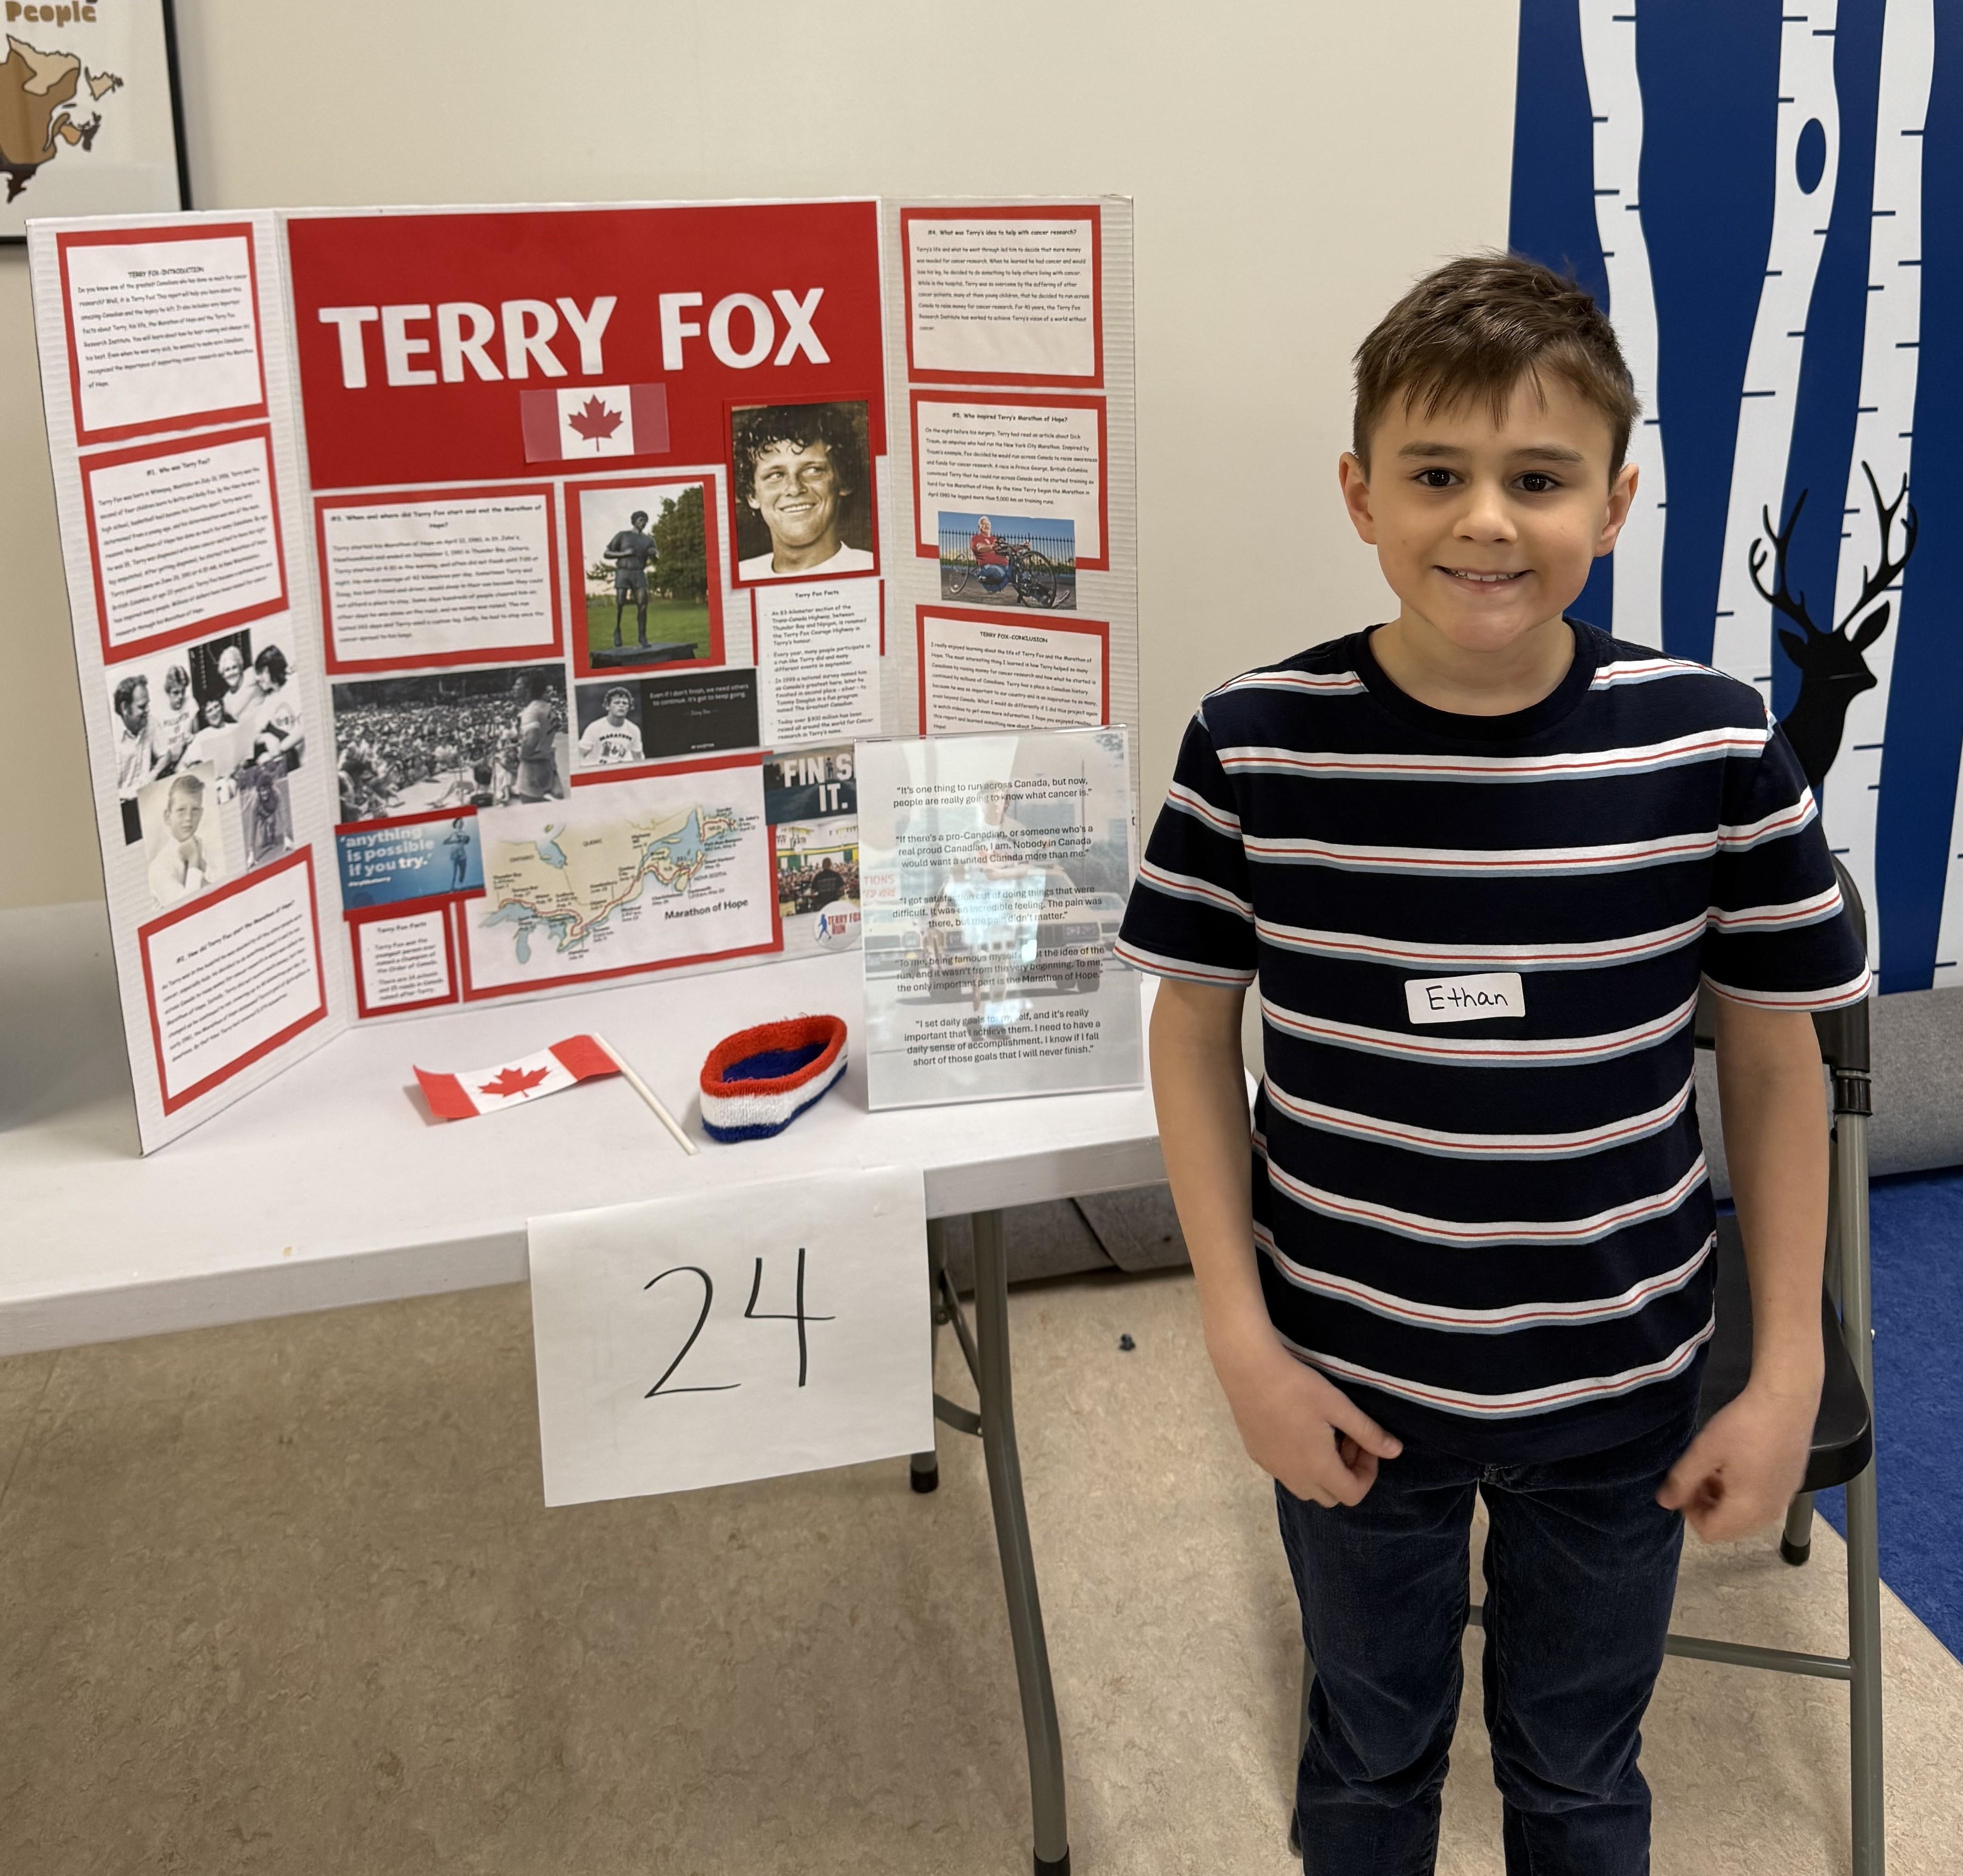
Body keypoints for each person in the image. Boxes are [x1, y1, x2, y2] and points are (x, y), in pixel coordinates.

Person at [1117, 252, 1870, 1875]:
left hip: (1620, 1378)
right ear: (1357, 494)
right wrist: (1239, 1345)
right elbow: (1189, 1026)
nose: (1483, 521)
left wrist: (1785, 1370)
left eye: (1536, 479)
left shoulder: (1709, 742)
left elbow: (1774, 1057)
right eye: (1433, 475)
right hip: (1344, 1374)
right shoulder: (1252, 740)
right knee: (1368, 1744)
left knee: (1578, 1766)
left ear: (1613, 501)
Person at [732, 403, 876, 579]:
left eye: (813, 470)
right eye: (776, 475)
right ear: (752, 494)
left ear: (844, 481)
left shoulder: (873, 569)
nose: (794, 489)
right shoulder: (739, 577)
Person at [146, 772, 212, 907]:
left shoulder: (203, 846)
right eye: (181, 810)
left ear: (201, 814)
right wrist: (193, 861)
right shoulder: (159, 866)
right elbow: (187, 909)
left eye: (195, 810)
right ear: (168, 816)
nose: (189, 818)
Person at [603, 509, 659, 647]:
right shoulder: (623, 536)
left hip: (639, 573)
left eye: (645, 521)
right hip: (624, 572)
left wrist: (654, 554)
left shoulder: (648, 540)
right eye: (641, 521)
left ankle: (642, 637)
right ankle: (617, 631)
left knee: (643, 605)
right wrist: (624, 554)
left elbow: (656, 559)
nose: (643, 524)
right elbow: (607, 553)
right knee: (620, 603)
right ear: (634, 521)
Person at [512, 671, 565, 803]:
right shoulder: (547, 707)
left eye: (518, 684)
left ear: (528, 688)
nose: (514, 687)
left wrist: (522, 756)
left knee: (531, 807)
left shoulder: (531, 711)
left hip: (531, 769)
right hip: (546, 764)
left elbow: (532, 739)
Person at [112, 674, 162, 799]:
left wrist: (154, 774)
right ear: (125, 708)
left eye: (148, 705)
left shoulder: (150, 722)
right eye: (142, 707)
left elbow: (166, 755)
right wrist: (130, 794)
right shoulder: (110, 739)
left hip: (148, 798)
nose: (148, 710)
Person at [577, 685, 645, 766]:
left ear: (629, 707)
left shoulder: (634, 730)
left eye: (625, 703)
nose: (621, 706)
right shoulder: (594, 728)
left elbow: (638, 758)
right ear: (608, 706)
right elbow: (579, 755)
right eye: (617, 703)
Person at [151, 664, 198, 776]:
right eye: (176, 693)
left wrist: (192, 738)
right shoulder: (158, 713)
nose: (181, 697)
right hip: (167, 765)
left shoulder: (191, 703)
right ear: (168, 692)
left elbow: (197, 735)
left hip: (187, 759)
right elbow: (157, 754)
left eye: (183, 691)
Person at [970, 515, 1016, 593]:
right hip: (989, 567)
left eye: (988, 524)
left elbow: (1009, 548)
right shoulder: (976, 538)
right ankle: (984, 578)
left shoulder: (995, 539)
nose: (986, 526)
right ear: (979, 527)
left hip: (1005, 566)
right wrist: (991, 547)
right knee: (999, 572)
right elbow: (979, 547)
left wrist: (1022, 546)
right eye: (983, 524)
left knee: (1021, 575)